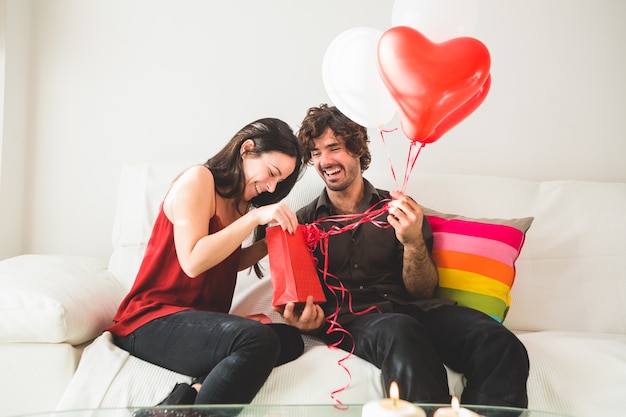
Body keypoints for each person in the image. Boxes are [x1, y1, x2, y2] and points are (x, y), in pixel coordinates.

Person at [279, 104, 529, 408]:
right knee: (401, 331)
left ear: (358, 148)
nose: (325, 161)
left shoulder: (400, 209)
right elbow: (298, 300)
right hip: (355, 319)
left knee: (498, 342)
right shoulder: (302, 224)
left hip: (417, 308)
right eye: (316, 153)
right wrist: (303, 321)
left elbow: (423, 290)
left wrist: (412, 243)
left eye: (334, 148)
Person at [107, 118, 306, 406]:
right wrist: (254, 218)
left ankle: (185, 400)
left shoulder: (239, 204)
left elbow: (229, 261)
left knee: (289, 340)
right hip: (151, 321)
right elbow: (193, 261)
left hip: (198, 320)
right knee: (257, 340)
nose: (272, 186)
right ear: (247, 149)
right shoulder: (199, 179)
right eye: (272, 173)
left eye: (279, 181)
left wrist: (269, 242)